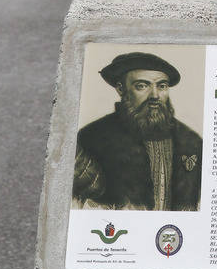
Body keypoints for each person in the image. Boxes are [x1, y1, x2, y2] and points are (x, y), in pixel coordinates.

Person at [73, 52, 202, 211]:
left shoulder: (191, 141)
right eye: (142, 86)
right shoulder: (92, 137)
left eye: (161, 86)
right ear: (121, 89)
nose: (155, 95)